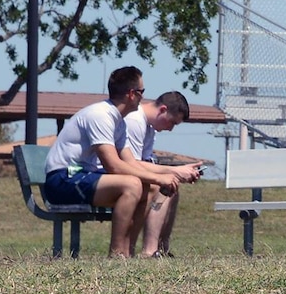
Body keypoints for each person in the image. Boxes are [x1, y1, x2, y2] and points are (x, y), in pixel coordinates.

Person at [42, 67, 192, 258]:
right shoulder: (100, 115)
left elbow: (131, 162)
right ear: (131, 94)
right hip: (63, 178)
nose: (144, 98)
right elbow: (113, 165)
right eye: (142, 92)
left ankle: (128, 252)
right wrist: (160, 177)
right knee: (131, 184)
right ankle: (116, 253)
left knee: (149, 187)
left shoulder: (118, 121)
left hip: (83, 175)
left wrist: (160, 178)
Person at [119, 90, 202, 259]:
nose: (170, 129)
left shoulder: (150, 128)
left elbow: (147, 164)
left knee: (171, 185)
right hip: (112, 176)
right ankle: (149, 251)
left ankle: (161, 248)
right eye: (172, 122)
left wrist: (177, 173)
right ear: (163, 110)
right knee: (163, 185)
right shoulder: (135, 121)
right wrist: (174, 171)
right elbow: (131, 164)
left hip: (128, 175)